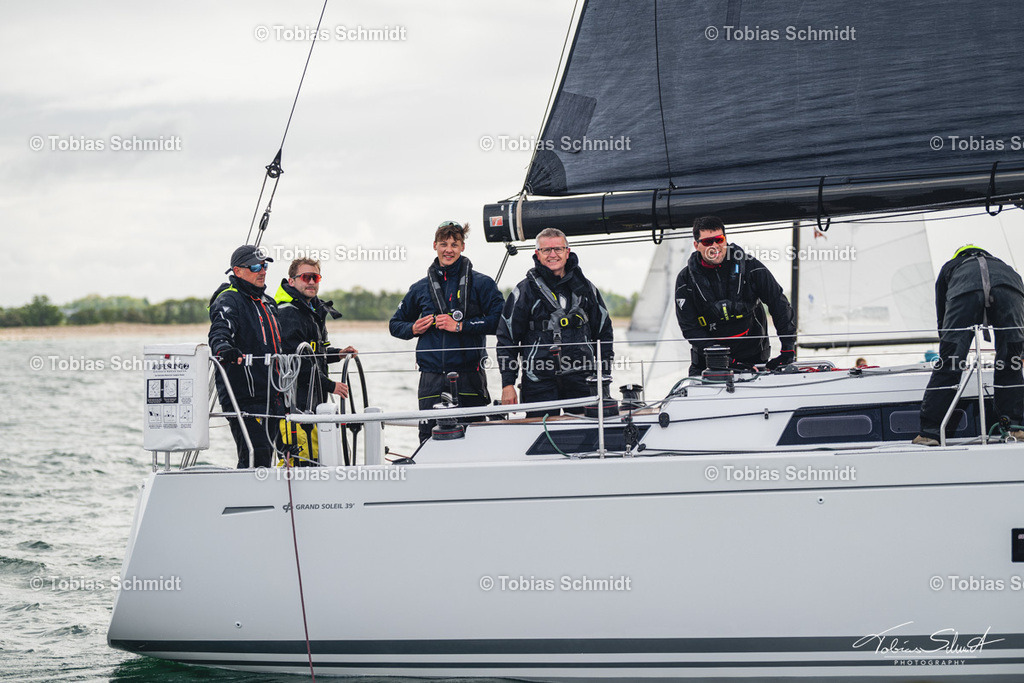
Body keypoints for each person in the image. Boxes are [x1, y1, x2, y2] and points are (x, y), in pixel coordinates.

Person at [389, 221, 504, 441]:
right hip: (431, 379)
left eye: (454, 244)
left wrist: (460, 326)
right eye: (444, 244)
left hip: (470, 377)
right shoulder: (419, 287)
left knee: (474, 441)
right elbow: (395, 325)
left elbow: (500, 322)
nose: (448, 250)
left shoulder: (483, 283)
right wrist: (413, 328)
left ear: (462, 247)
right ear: (435, 246)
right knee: (428, 440)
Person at [914, 245, 1024, 445]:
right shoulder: (1004, 267)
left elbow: (942, 313)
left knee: (950, 363)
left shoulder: (951, 267)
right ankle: (1014, 428)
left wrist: (948, 346)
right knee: (1011, 362)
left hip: (965, 291)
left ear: (959, 255)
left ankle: (929, 433)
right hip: (1009, 289)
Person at [497, 227, 614, 415]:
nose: (553, 254)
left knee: (586, 430)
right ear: (538, 254)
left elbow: (604, 332)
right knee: (539, 430)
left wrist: (605, 375)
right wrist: (507, 384)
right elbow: (507, 338)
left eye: (558, 249)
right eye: (546, 250)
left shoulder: (587, 289)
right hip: (538, 380)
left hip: (582, 379)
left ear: (567, 252)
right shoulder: (524, 291)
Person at [675, 215, 796, 375]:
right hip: (708, 364)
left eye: (719, 240)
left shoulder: (751, 267)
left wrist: (788, 349)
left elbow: (778, 303)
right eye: (707, 242)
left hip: (754, 361)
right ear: (696, 245)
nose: (715, 246)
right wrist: (726, 361)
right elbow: (689, 327)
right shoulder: (685, 281)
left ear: (725, 239)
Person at [208, 245, 285, 469]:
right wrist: (224, 348)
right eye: (255, 267)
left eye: (264, 266)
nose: (262, 271)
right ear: (238, 271)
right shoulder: (228, 300)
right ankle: (247, 491)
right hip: (244, 397)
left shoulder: (268, 303)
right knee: (255, 455)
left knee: (272, 455)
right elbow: (220, 330)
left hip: (273, 396)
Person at [275, 257, 357, 464]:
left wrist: (338, 354)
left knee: (316, 460)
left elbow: (315, 354)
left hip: (312, 404)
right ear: (292, 281)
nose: (311, 282)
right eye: (306, 277)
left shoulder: (313, 311)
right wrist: (331, 385)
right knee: (297, 462)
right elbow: (297, 364)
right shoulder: (288, 313)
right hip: (292, 406)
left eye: (315, 277)